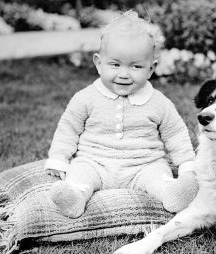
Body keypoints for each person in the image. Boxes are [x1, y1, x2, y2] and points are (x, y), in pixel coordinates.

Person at [45, 11, 198, 218]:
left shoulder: (159, 102)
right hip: (95, 161)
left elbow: (176, 134)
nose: (124, 74)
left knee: (157, 176)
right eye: (115, 65)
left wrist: (187, 165)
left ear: (151, 69)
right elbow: (68, 130)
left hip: (142, 164)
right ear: (99, 64)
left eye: (136, 66)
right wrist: (58, 159)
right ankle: (75, 196)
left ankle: (172, 193)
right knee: (80, 174)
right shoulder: (86, 98)